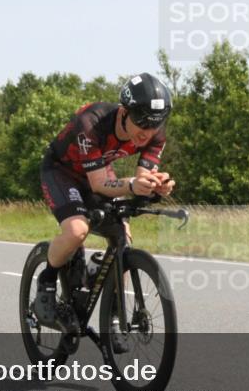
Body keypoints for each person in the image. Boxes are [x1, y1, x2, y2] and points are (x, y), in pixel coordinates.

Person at [35, 73, 176, 323]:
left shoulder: (155, 133)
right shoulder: (91, 121)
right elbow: (99, 184)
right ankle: (46, 282)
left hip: (98, 170)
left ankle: (113, 313)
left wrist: (155, 186)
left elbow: (141, 179)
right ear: (123, 112)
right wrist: (133, 185)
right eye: (141, 123)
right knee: (77, 230)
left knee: (123, 237)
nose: (147, 132)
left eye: (153, 125)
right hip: (62, 171)